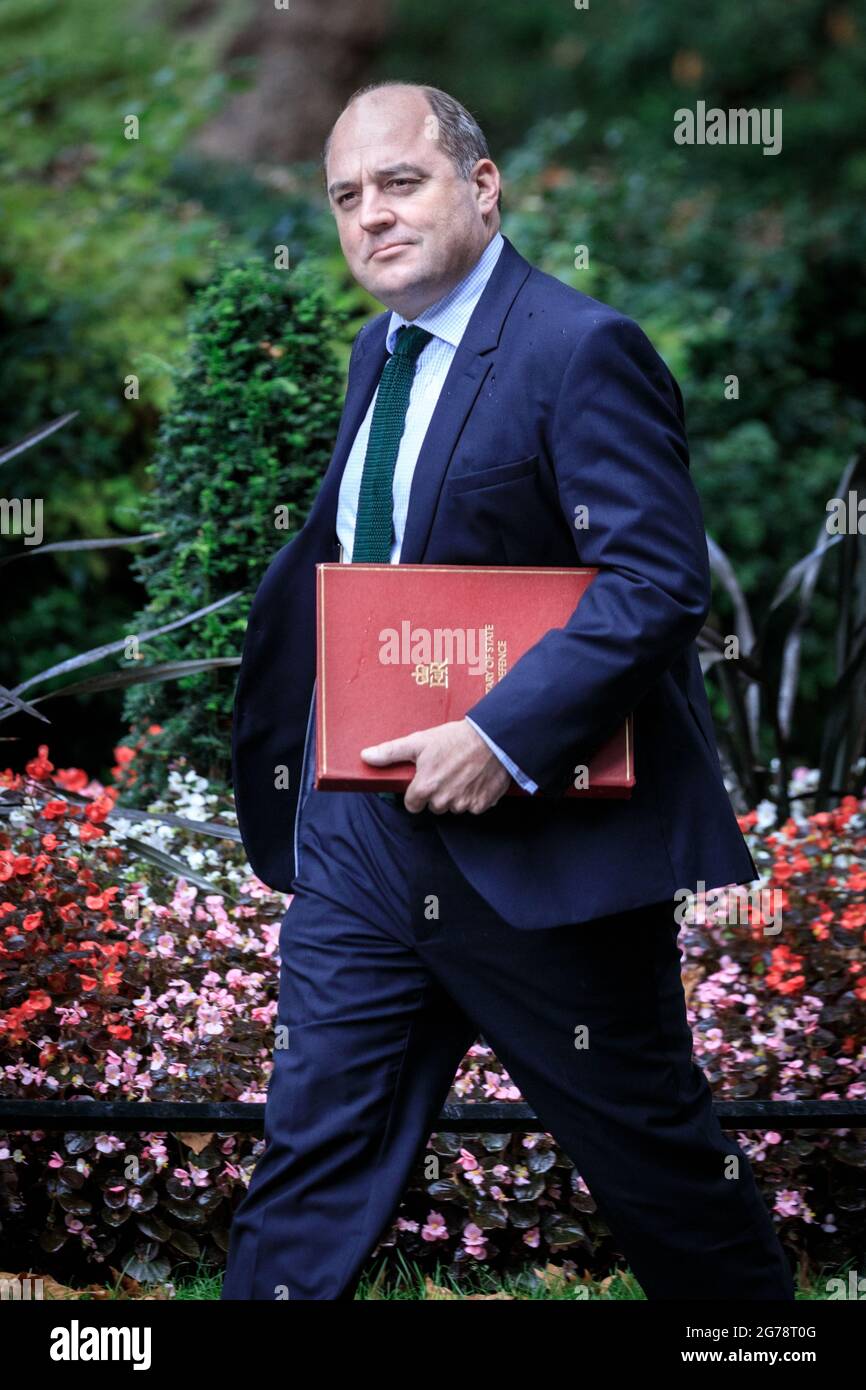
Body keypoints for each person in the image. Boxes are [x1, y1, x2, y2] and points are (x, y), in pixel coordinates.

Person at [221, 80, 794, 1301]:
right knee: (311, 1154)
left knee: (655, 1162)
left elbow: (649, 580)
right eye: (345, 196)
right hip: (360, 831)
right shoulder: (378, 352)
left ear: (481, 187)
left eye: (400, 182)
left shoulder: (577, 347)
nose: (370, 215)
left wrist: (500, 735)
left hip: (537, 837)